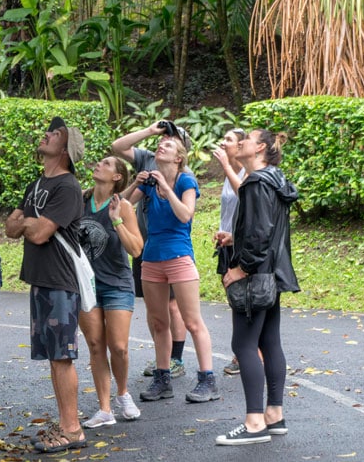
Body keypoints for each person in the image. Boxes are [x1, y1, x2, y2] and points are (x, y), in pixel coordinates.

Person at [5, 116, 87, 453]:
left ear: (65, 150)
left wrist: (26, 223)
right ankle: (66, 423)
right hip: (40, 279)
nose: (47, 134)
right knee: (54, 357)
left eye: (55, 133)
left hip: (60, 281)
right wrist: (27, 223)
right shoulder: (37, 183)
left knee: (63, 356)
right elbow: (11, 229)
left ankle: (73, 430)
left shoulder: (67, 187)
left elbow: (38, 233)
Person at [215, 129, 299, 446]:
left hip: (256, 276)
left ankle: (254, 424)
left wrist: (239, 269)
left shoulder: (254, 182)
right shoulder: (275, 178)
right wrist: (235, 237)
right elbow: (268, 228)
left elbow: (262, 234)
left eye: (245, 140)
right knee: (270, 341)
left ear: (259, 148)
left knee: (244, 345)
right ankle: (274, 415)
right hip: (274, 274)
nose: (239, 144)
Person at [126, 135, 220, 404]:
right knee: (158, 322)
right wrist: (136, 182)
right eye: (159, 145)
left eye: (167, 145)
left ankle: (207, 379)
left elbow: (185, 214)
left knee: (192, 321)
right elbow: (120, 205)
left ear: (179, 157)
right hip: (151, 257)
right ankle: (162, 378)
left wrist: (166, 189)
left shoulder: (185, 181)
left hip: (178, 255)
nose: (160, 147)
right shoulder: (149, 183)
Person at [112, 121, 192, 379]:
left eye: (170, 138)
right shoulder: (147, 158)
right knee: (154, 308)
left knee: (172, 305)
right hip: (144, 243)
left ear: (180, 151)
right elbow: (117, 146)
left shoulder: (183, 175)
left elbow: (185, 213)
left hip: (170, 245)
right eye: (163, 136)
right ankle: (163, 357)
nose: (163, 140)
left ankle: (175, 358)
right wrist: (149, 130)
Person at [77, 156, 144, 429]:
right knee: (95, 345)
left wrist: (116, 221)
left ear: (117, 177)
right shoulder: (80, 201)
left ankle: (123, 393)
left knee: (118, 346)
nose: (98, 165)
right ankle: (104, 409)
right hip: (86, 284)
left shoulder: (123, 206)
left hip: (117, 282)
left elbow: (136, 249)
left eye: (106, 164)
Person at [212, 128, 247, 376]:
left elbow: (245, 196)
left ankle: (248, 353)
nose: (223, 144)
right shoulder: (229, 173)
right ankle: (242, 352)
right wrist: (222, 230)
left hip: (244, 246)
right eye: (223, 139)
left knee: (246, 301)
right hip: (227, 244)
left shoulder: (246, 173)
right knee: (235, 302)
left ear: (241, 145)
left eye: (229, 140)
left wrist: (226, 166)